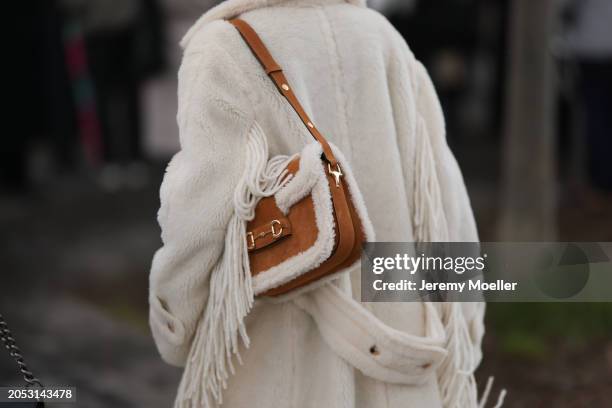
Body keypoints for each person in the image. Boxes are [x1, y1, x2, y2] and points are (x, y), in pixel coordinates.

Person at [149, 1, 490, 407]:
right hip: (402, 365)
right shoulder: (383, 39)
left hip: (279, 370)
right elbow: (443, 202)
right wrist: (465, 329)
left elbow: (199, 218)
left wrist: (174, 321)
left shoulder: (223, 49)